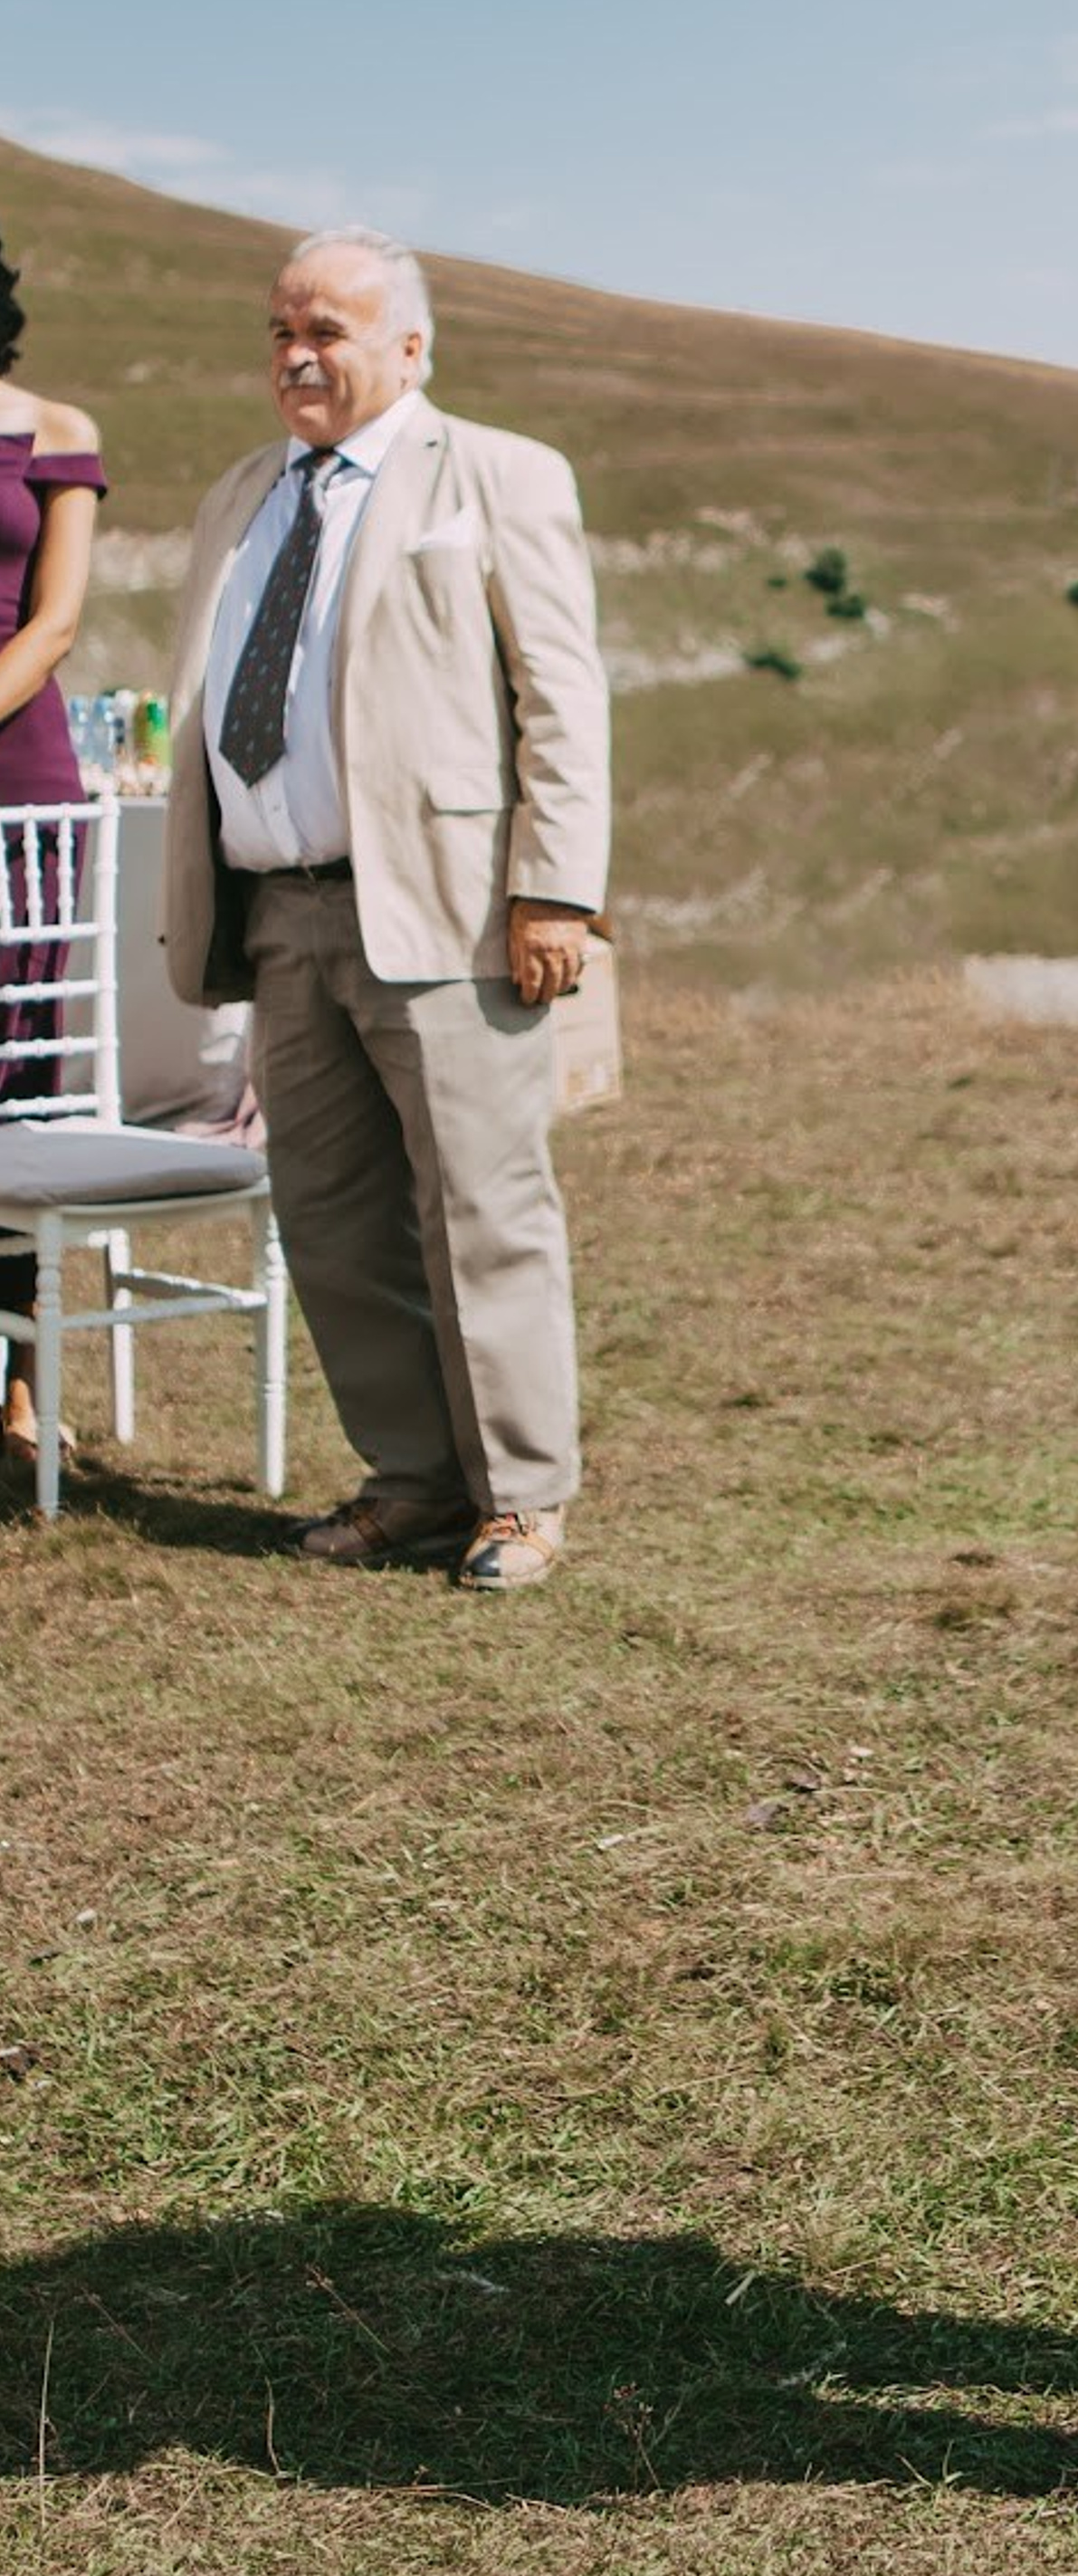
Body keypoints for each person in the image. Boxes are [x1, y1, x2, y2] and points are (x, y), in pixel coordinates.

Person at [162, 227, 610, 1593]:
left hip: (450, 910)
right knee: (338, 1217)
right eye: (282, 332)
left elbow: (562, 696)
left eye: (331, 331)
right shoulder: (246, 493)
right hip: (282, 914)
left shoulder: (496, 475)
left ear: (410, 347)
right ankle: (415, 1482)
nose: (300, 354)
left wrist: (556, 891)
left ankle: (522, 1498)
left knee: (481, 1207)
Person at [0, 229, 108, 1470]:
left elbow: (58, 618)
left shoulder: (55, 428)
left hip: (18, 776)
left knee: (23, 1071)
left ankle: (27, 1387)